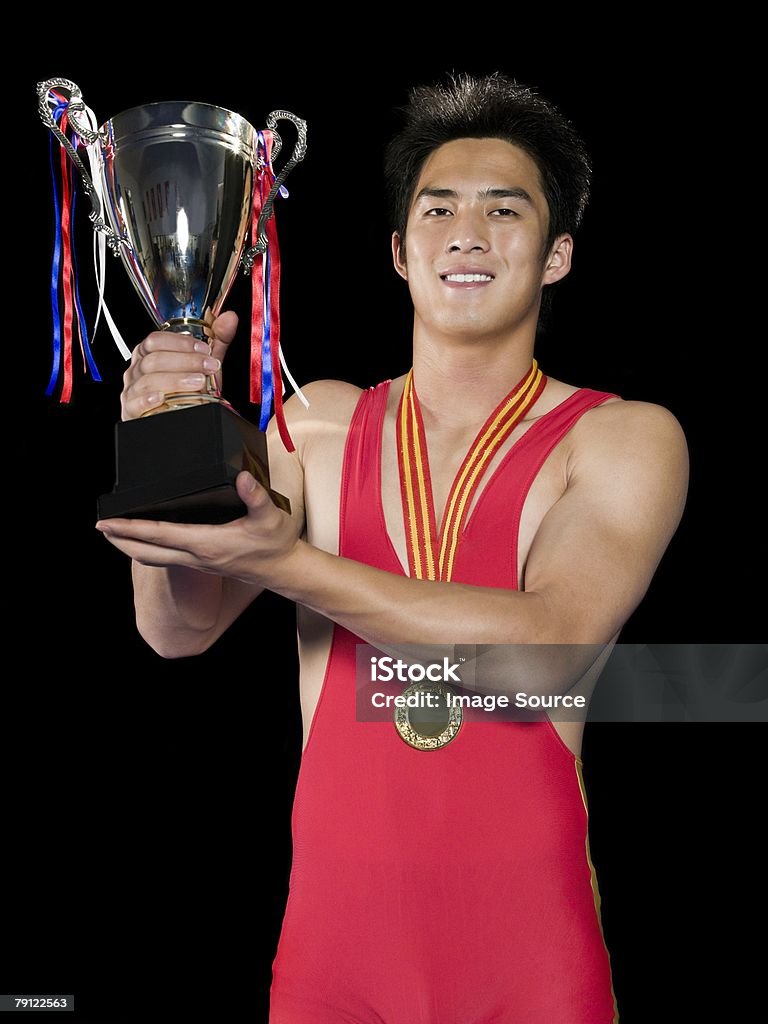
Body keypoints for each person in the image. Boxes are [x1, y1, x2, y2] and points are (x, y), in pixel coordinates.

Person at [97, 71, 689, 1023]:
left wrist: (287, 563)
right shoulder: (318, 426)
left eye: (506, 210)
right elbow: (179, 630)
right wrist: (166, 451)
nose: (467, 233)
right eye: (439, 209)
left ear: (558, 256)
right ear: (400, 253)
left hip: (528, 960)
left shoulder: (619, 438)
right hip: (336, 954)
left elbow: (550, 651)